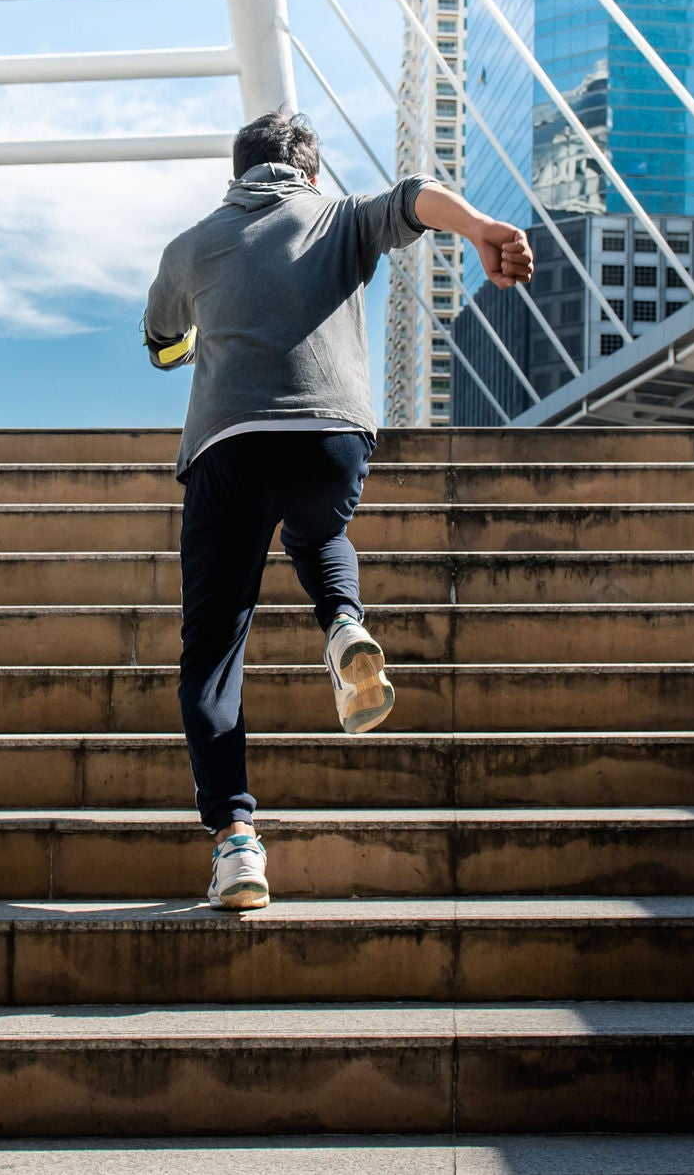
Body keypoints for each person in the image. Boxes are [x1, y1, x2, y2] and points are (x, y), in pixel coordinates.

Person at [143, 109, 535, 911]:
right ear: (311, 172)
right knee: (318, 527)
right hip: (334, 439)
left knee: (212, 652)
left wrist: (189, 342)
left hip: (230, 447)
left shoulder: (189, 245)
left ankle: (236, 843)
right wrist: (483, 227)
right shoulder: (341, 217)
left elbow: (161, 343)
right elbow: (415, 195)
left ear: (235, 172)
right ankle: (345, 624)